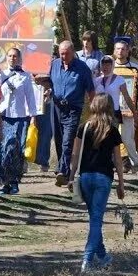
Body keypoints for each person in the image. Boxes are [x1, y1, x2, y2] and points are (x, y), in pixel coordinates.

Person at [68, 94, 127, 274]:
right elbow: (117, 160)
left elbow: (75, 155)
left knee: (94, 218)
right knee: (96, 220)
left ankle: (103, 256)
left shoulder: (83, 128)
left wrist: (71, 176)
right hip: (103, 177)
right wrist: (121, 183)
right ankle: (87, 258)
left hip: (85, 176)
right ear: (109, 107)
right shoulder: (112, 130)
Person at [49, 40, 95, 185]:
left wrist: (94, 110)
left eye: (66, 54)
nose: (63, 56)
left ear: (73, 53)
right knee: (58, 138)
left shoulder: (82, 68)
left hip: (74, 108)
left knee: (68, 140)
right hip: (56, 107)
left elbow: (91, 90)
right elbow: (49, 82)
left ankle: (63, 170)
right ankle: (62, 168)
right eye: (61, 54)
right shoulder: (54, 64)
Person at [0, 47, 35, 195]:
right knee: (2, 150)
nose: (12, 58)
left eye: (15, 56)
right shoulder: (0, 75)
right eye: (10, 56)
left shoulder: (26, 76)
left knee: (15, 150)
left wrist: (33, 117)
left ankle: (14, 181)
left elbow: (30, 97)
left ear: (20, 58)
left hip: (19, 117)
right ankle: (4, 183)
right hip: (3, 117)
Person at [111, 40, 138, 171]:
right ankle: (120, 162)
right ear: (114, 51)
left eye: (123, 49)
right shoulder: (110, 66)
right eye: (118, 49)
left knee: (127, 137)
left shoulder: (135, 67)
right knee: (113, 136)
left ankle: (134, 160)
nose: (120, 52)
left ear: (128, 51)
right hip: (112, 109)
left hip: (128, 108)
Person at [93, 55, 131, 123]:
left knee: (112, 133)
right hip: (99, 113)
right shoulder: (96, 81)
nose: (105, 67)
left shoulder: (119, 80)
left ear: (112, 65)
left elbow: (127, 97)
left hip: (113, 113)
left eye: (108, 65)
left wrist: (134, 113)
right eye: (103, 64)